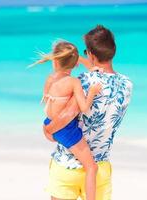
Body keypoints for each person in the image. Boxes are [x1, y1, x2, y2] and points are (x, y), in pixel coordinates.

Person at [43, 25, 133, 200]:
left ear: (90, 54)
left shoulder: (81, 81)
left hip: (66, 166)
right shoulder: (127, 85)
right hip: (99, 169)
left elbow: (64, 118)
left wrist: (47, 129)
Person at [30, 40, 102, 200]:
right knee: (91, 167)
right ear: (75, 64)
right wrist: (92, 92)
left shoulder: (50, 79)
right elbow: (84, 108)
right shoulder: (74, 82)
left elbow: (47, 103)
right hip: (66, 130)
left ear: (55, 60)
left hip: (49, 124)